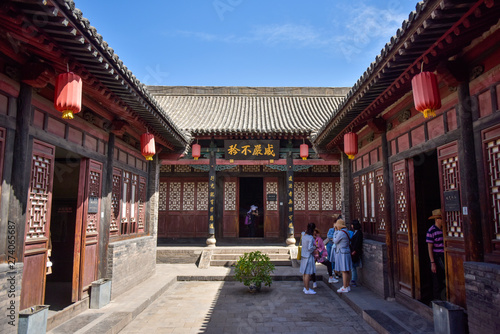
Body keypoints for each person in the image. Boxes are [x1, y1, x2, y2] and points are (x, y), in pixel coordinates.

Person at [426, 208, 445, 300]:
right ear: (437, 219)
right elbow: (429, 247)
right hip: (437, 257)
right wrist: (432, 262)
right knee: (437, 280)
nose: (442, 220)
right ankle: (437, 300)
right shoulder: (431, 231)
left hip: (444, 256)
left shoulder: (444, 230)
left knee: (444, 279)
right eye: (441, 218)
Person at [333, 219, 352, 293]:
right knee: (348, 270)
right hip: (346, 251)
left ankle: (344, 286)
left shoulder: (340, 233)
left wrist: (335, 233)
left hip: (342, 252)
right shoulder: (346, 231)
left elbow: (335, 241)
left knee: (344, 270)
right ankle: (347, 285)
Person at [299, 222, 317, 294]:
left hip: (303, 255)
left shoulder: (303, 235)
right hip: (308, 256)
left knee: (304, 273)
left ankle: (305, 287)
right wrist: (315, 247)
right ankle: (307, 289)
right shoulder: (310, 238)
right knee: (307, 273)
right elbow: (310, 248)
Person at [324, 214, 341, 279]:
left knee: (335, 258)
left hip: (336, 246)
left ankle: (334, 270)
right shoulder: (331, 230)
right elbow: (329, 236)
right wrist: (334, 238)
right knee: (329, 258)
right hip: (330, 245)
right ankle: (330, 270)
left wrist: (334, 238)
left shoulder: (339, 231)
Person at [350, 220, 363, 287]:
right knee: (353, 266)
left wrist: (355, 250)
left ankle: (353, 280)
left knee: (353, 267)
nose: (351, 226)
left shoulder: (359, 233)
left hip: (355, 252)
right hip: (353, 251)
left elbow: (357, 243)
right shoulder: (355, 232)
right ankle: (353, 279)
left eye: (352, 225)